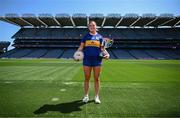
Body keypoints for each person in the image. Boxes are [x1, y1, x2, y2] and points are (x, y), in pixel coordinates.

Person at [75, 21, 109, 104]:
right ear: (88, 27)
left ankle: (96, 96)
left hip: (97, 60)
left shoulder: (100, 37)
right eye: (90, 25)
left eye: (93, 25)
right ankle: (86, 96)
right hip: (87, 60)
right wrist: (76, 54)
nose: (92, 26)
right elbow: (81, 47)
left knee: (97, 79)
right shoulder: (85, 37)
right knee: (87, 78)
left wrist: (107, 54)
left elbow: (103, 49)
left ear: (96, 26)